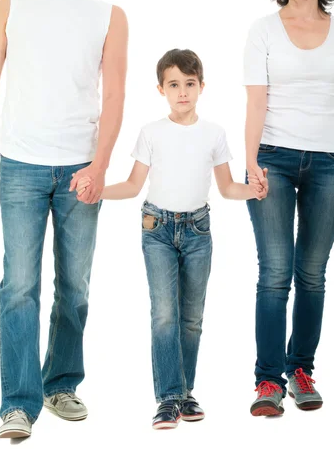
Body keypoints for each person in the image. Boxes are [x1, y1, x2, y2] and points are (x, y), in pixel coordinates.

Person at [0, 0, 128, 438]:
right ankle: (18, 400)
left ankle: (60, 384)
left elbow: (116, 93)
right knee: (18, 285)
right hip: (21, 166)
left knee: (75, 287)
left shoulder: (109, 14)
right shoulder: (11, 4)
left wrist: (101, 165)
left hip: (81, 169)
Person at [77, 49, 268, 429]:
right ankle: (168, 398)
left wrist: (255, 190)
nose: (183, 92)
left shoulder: (214, 134)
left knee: (192, 318)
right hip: (157, 230)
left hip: (198, 231)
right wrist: (98, 190)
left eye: (190, 84)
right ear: (162, 89)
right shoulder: (151, 132)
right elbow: (133, 185)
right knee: (165, 314)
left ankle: (184, 392)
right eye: (174, 85)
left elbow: (228, 187)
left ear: (201, 87)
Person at [243, 0, 334, 416]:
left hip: (332, 164)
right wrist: (251, 159)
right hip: (273, 157)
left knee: (312, 274)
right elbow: (256, 99)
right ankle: (267, 382)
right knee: (275, 274)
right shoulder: (263, 29)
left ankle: (301, 370)